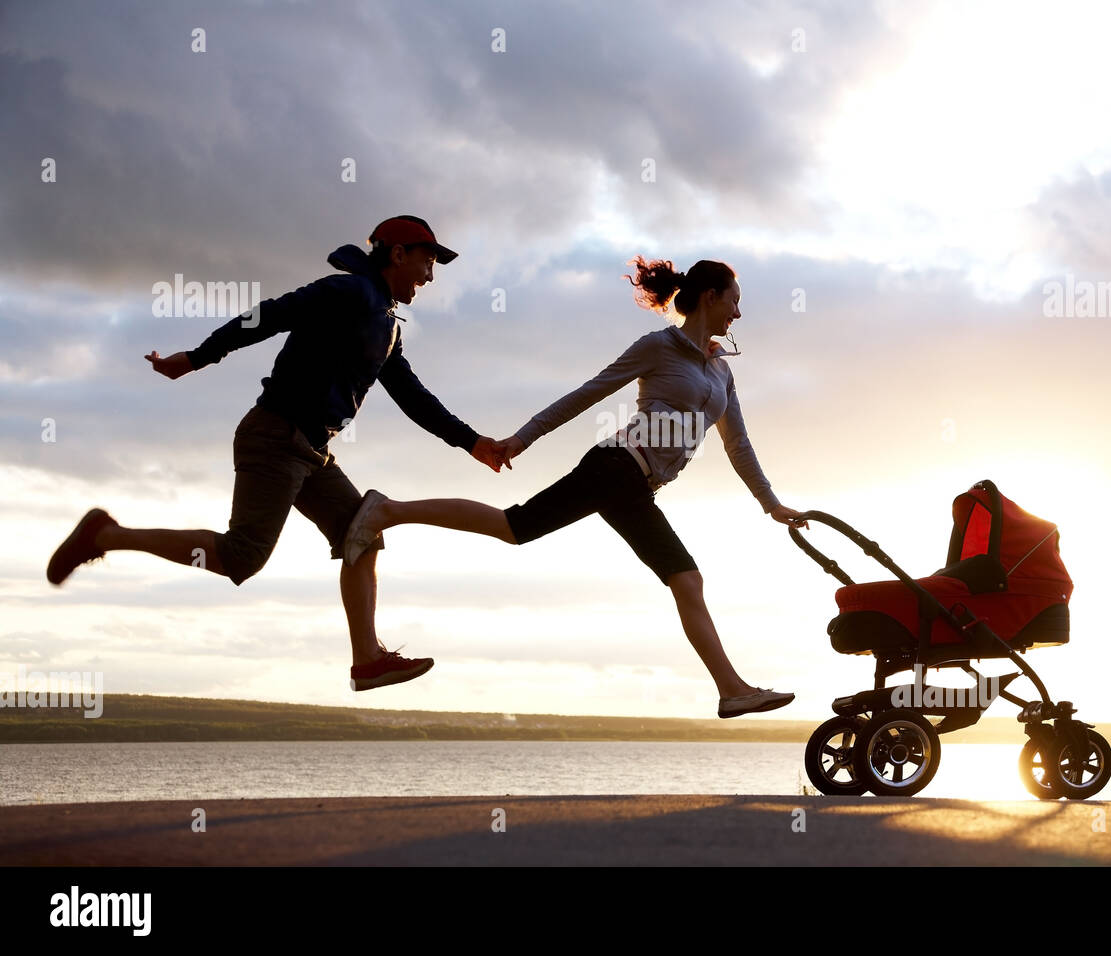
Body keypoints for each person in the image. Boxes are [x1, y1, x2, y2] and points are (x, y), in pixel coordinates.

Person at [46, 215, 508, 692]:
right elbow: (268, 314)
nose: (429, 275)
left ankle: (367, 659)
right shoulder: (347, 293)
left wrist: (472, 442)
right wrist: (199, 357)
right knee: (241, 557)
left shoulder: (387, 324)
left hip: (313, 451)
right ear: (397, 254)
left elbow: (413, 396)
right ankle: (106, 535)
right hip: (275, 437)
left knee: (363, 534)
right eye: (426, 261)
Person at [341, 256, 805, 717]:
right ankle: (387, 510)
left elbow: (737, 443)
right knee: (522, 529)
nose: (738, 315)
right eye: (734, 302)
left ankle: (732, 690)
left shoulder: (722, 370)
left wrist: (772, 505)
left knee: (664, 573)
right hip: (616, 467)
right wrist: (523, 438)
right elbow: (589, 392)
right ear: (711, 297)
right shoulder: (658, 347)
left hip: (637, 487)